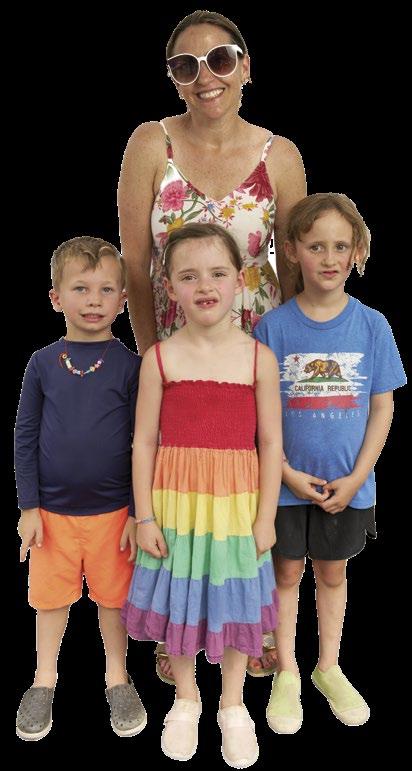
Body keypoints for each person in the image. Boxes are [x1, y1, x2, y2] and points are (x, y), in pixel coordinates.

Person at [118, 7, 305, 680]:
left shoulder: (279, 155)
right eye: (186, 65)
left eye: (220, 59)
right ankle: (179, 621)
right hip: (177, 352)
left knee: (249, 488)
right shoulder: (150, 144)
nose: (206, 76)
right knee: (181, 488)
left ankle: (250, 621)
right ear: (173, 77)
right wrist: (154, 359)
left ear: (245, 67)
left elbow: (294, 268)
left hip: (255, 349)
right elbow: (135, 265)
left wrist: (288, 359)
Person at [122, 223, 282, 765]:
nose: (205, 285)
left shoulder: (258, 359)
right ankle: (187, 697)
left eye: (217, 273)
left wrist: (266, 517)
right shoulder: (159, 359)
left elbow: (270, 442)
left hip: (237, 505)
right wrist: (145, 516)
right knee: (181, 598)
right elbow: (144, 441)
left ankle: (233, 704)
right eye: (189, 276)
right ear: (169, 288)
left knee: (234, 599)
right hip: (176, 506)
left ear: (240, 279)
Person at [254, 193, 406, 732]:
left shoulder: (373, 326)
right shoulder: (272, 329)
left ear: (357, 251)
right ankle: (287, 671)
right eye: (316, 246)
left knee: (332, 572)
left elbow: (383, 407)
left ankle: (328, 667)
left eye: (341, 246)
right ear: (292, 251)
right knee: (286, 571)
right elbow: (259, 415)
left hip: (348, 485)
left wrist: (359, 476)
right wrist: (286, 475)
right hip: (284, 485)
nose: (329, 257)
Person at [15, 237, 146, 740]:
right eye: (81, 288)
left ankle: (117, 678)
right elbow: (26, 434)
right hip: (52, 515)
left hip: (113, 513)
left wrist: (135, 511)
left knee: (113, 600)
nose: (94, 300)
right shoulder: (42, 364)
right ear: (56, 298)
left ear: (123, 300)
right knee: (50, 599)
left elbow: (142, 444)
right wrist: (29, 507)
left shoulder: (130, 366)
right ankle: (43, 680)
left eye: (106, 289)